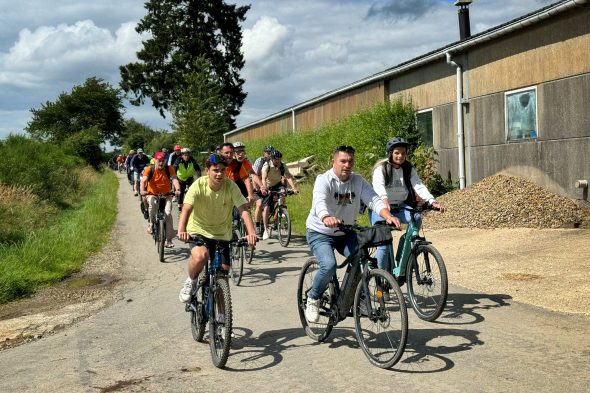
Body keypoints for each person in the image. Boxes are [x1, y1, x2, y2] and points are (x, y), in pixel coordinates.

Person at [304, 145, 399, 323]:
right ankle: (314, 298)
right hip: (320, 231)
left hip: (345, 232)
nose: (347, 165)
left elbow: (373, 199)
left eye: (350, 161)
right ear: (334, 162)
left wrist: (387, 215)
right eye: (343, 161)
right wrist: (326, 216)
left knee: (361, 260)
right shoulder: (324, 180)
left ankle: (356, 297)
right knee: (329, 265)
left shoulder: (357, 181)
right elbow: (319, 201)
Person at [177, 154, 257, 302]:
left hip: (222, 233)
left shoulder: (230, 186)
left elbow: (243, 209)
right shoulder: (198, 185)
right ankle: (191, 281)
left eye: (222, 170)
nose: (219, 174)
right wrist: (181, 230)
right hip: (198, 230)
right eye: (215, 170)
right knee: (201, 256)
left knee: (224, 271)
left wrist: (251, 233)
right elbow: (186, 208)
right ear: (207, 171)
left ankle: (221, 316)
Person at [370, 137, 444, 271]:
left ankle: (402, 256)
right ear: (390, 153)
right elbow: (378, 185)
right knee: (383, 243)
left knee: (416, 218)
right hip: (380, 208)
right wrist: (384, 199)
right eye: (397, 153)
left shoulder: (408, 168)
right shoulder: (381, 168)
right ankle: (382, 277)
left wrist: (432, 201)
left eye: (403, 153)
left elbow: (418, 185)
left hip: (399, 206)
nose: (400, 156)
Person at [140, 152, 181, 248]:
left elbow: (174, 179)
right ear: (155, 160)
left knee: (168, 214)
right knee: (152, 203)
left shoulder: (169, 169)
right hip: (152, 194)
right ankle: (151, 222)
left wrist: (178, 189)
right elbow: (143, 180)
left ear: (165, 161)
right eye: (159, 161)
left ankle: (169, 239)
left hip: (166, 195)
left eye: (163, 161)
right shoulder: (149, 169)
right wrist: (142, 190)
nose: (161, 163)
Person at [260, 149, 298, 240]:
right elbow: (264, 178)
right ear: (272, 159)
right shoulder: (267, 165)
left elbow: (288, 176)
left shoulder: (282, 165)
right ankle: (265, 229)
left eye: (279, 159)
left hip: (278, 185)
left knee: (283, 192)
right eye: (276, 159)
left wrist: (293, 188)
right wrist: (265, 188)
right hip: (268, 186)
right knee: (266, 208)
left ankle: (282, 210)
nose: (278, 161)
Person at [252, 145, 274, 235]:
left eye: (271, 153)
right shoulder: (259, 161)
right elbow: (254, 175)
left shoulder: (274, 161)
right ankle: (257, 224)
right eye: (268, 153)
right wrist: (255, 187)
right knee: (259, 204)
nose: (269, 155)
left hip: (268, 186)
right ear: (264, 153)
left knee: (272, 204)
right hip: (257, 185)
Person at [173, 147, 202, 212]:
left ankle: (190, 208)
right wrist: (173, 178)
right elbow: (174, 169)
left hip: (189, 179)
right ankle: (180, 209)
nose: (187, 156)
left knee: (191, 193)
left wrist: (199, 178)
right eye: (185, 155)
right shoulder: (178, 160)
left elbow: (197, 169)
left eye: (188, 155)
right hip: (180, 179)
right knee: (180, 194)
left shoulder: (192, 160)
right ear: (182, 155)